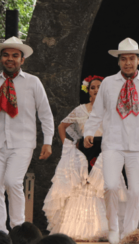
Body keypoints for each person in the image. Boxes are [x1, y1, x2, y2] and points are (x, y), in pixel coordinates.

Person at [83, 38, 139, 244]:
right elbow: (97, 111)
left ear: (138, 60)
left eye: (131, 58)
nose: (127, 63)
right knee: (110, 186)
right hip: (113, 143)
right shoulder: (109, 84)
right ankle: (113, 229)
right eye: (123, 59)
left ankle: (129, 234)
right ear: (118, 61)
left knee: (136, 191)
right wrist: (89, 131)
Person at [0, 37, 55, 233]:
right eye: (6, 55)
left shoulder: (33, 82)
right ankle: (0, 233)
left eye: (15, 56)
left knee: (13, 181)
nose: (10, 59)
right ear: (1, 59)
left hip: (23, 144)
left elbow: (45, 114)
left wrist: (48, 142)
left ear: (22, 60)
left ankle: (18, 231)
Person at [43, 75, 113, 241]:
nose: (96, 90)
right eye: (93, 87)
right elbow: (62, 125)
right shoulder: (81, 110)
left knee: (100, 188)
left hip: (103, 151)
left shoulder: (109, 109)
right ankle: (77, 228)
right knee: (81, 186)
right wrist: (68, 144)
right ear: (88, 90)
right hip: (84, 151)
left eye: (99, 87)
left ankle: (102, 228)